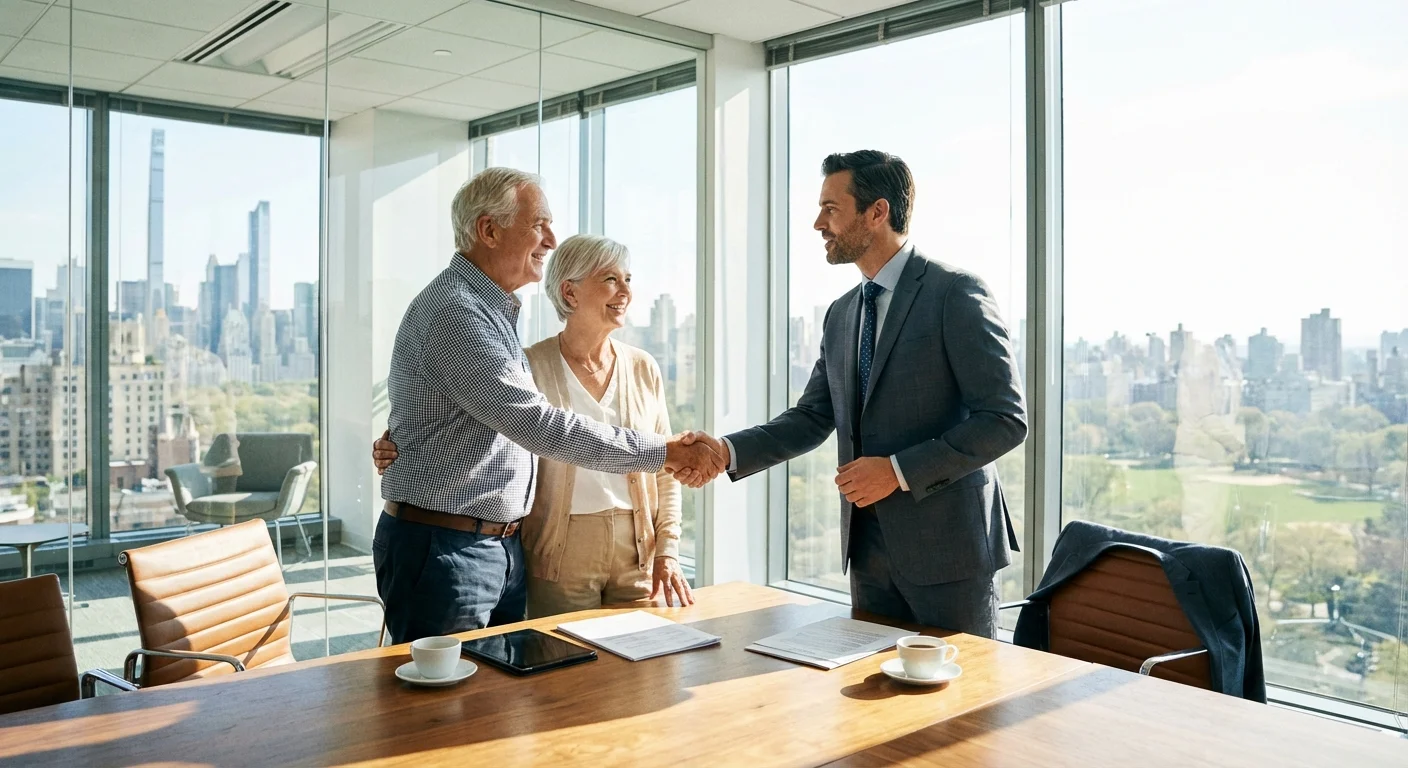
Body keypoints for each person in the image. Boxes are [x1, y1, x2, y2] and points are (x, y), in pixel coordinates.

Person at [374, 168, 721, 643]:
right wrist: (666, 451)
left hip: (494, 545)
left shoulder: (491, 311)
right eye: (539, 224)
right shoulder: (457, 310)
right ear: (489, 230)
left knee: (501, 705)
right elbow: (536, 424)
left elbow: (475, 417)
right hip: (450, 547)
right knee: (447, 712)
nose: (551, 239)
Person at [688, 150, 1027, 638]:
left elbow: (1005, 418)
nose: (817, 223)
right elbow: (811, 416)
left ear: (877, 211)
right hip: (867, 549)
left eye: (830, 208)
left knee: (959, 703)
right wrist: (726, 451)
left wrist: (896, 471)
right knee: (871, 700)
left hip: (948, 552)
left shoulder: (955, 292)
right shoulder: (842, 313)